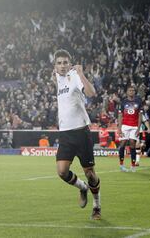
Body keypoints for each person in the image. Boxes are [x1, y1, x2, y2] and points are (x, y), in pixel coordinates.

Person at [52, 49, 101, 220]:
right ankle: (82, 187)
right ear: (55, 66)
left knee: (90, 173)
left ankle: (96, 206)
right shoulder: (57, 77)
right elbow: (56, 77)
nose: (62, 65)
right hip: (65, 134)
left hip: (81, 132)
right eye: (59, 63)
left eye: (65, 62)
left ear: (70, 63)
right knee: (62, 172)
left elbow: (91, 93)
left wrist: (81, 74)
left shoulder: (74, 76)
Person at [117, 85, 150, 172]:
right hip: (125, 125)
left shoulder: (138, 102)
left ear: (134, 92)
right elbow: (120, 115)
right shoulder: (123, 102)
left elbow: (140, 116)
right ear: (127, 92)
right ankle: (121, 165)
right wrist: (119, 128)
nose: (131, 92)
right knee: (122, 144)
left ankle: (133, 165)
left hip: (134, 126)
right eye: (130, 90)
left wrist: (139, 129)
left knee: (132, 144)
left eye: (133, 90)